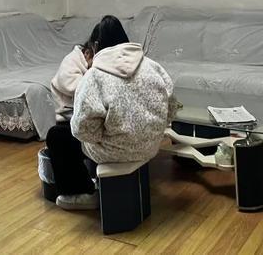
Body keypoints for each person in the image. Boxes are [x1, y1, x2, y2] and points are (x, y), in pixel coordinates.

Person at [54, 15, 177, 210]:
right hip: (151, 146)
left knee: (57, 135)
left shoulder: (94, 76)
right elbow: (171, 108)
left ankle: (81, 193)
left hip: (114, 152)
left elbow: (83, 131)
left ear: (96, 46)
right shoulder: (153, 67)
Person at [45, 26, 98, 208]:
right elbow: (75, 87)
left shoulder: (87, 63)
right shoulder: (71, 62)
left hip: (83, 118)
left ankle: (89, 182)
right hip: (67, 120)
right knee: (58, 136)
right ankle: (78, 191)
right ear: (88, 53)